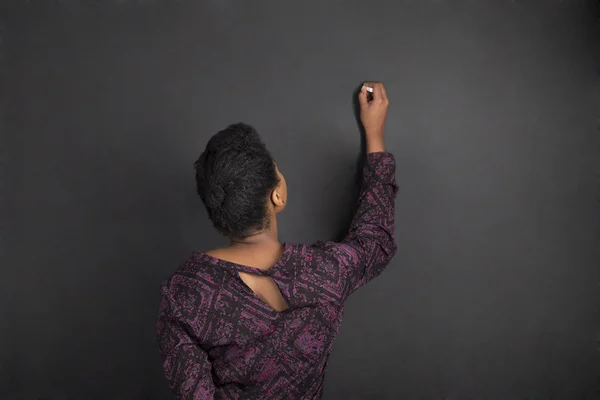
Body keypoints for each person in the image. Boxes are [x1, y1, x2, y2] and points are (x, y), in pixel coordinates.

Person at [156, 82, 397, 399]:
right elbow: (374, 240)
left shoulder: (185, 293)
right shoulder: (325, 272)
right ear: (277, 195)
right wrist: (375, 136)